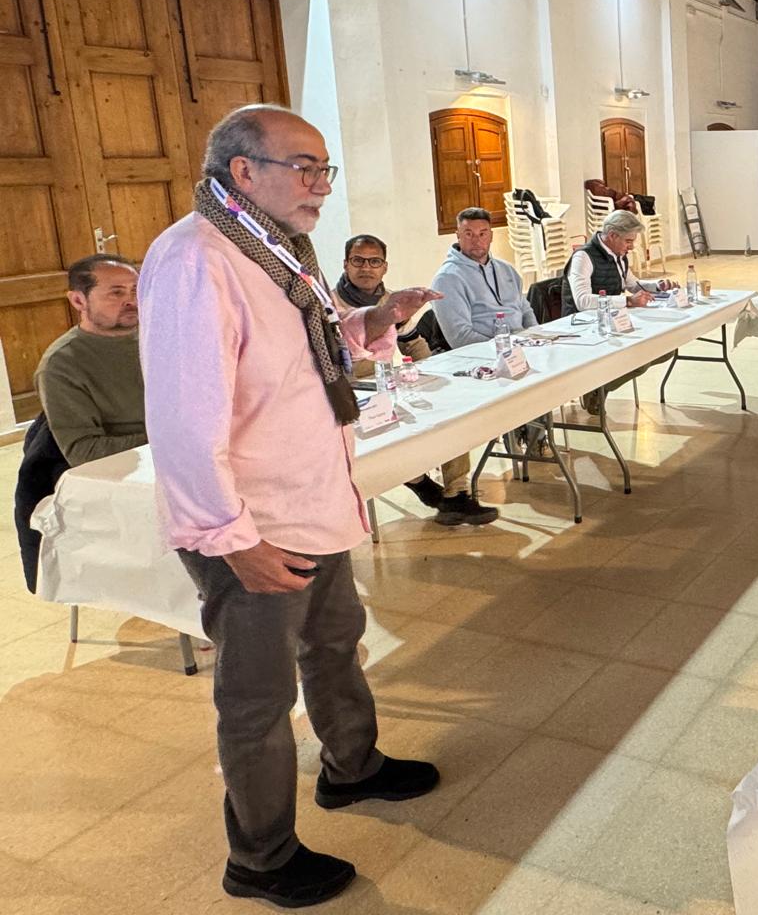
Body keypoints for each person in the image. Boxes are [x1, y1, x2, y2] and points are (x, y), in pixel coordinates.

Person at [141, 105, 441, 909]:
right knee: (258, 699)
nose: (321, 185)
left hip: (312, 498)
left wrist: (373, 321)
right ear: (243, 172)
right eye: (303, 168)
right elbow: (184, 418)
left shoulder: (275, 246)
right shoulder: (198, 259)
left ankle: (352, 767)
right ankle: (261, 857)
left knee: (336, 644)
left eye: (324, 169)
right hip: (253, 524)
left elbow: (311, 347)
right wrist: (230, 538)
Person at [335, 234, 496, 527]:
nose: (366, 268)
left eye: (374, 261)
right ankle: (418, 480)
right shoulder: (330, 305)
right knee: (388, 431)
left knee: (448, 410)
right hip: (350, 393)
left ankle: (457, 493)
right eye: (358, 261)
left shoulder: (392, 301)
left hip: (389, 384)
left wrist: (433, 372)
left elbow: (412, 341)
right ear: (346, 264)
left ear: (385, 267)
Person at [16, 255, 145, 592]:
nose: (131, 300)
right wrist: (172, 438)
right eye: (116, 292)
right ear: (78, 300)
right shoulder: (63, 364)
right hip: (119, 482)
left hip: (168, 461)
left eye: (135, 289)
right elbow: (86, 453)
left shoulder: (157, 338)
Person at [562, 209, 679, 415]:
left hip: (613, 320)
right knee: (640, 357)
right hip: (583, 324)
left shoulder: (619, 255)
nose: (631, 247)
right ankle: (596, 389)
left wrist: (657, 286)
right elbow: (582, 301)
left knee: (665, 347)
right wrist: (627, 301)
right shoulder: (583, 257)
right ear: (612, 235)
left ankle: (600, 387)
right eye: (628, 241)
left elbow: (633, 284)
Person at [431, 206, 538, 349]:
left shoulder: (507, 269)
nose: (476, 240)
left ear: (491, 236)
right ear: (458, 236)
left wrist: (537, 340)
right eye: (469, 234)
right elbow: (460, 338)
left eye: (482, 234)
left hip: (522, 348)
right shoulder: (447, 279)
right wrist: (507, 348)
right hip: (485, 354)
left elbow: (526, 312)